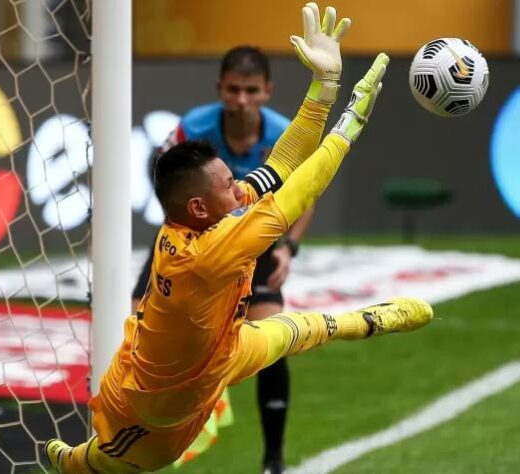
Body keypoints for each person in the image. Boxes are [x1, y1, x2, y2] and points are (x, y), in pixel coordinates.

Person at [44, 4, 433, 473]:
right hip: (157, 413)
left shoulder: (208, 215)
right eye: (230, 184)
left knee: (303, 330)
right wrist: (349, 124)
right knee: (110, 465)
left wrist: (324, 88)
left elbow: (279, 167)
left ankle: (375, 321)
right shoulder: (209, 250)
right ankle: (75, 462)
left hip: (222, 351)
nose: (241, 186)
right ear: (199, 208)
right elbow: (298, 190)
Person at [130, 44, 314, 474]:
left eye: (251, 90)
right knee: (137, 324)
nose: (241, 100)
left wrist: (288, 245)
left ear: (267, 90)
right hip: (192, 242)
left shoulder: (283, 136)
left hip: (255, 242)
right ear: (220, 88)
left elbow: (304, 198)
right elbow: (161, 174)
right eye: (233, 89)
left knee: (272, 340)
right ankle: (135, 440)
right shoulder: (193, 127)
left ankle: (273, 459)